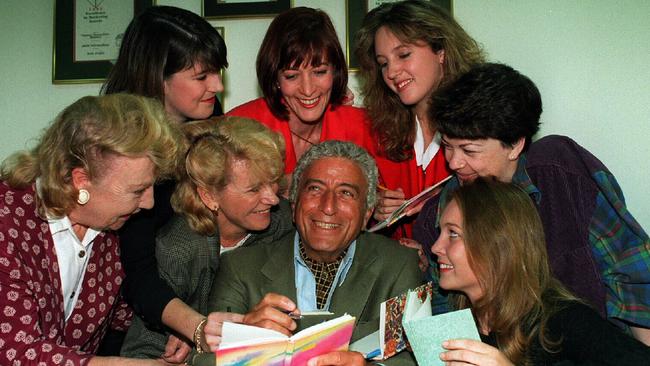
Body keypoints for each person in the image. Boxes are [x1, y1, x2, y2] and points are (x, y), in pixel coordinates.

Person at [414, 63, 650, 344]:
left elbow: (632, 270)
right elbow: (444, 315)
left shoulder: (562, 174)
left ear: (514, 145)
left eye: (469, 150)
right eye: (448, 146)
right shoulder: (444, 211)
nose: (454, 162)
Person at [0, 94, 181, 365]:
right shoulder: (7, 223)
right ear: (81, 180)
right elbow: (15, 351)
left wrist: (172, 330)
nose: (149, 202)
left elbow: (121, 313)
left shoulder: (108, 227)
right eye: (138, 190)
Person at [207, 141, 423, 366]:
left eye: (346, 193)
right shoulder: (240, 267)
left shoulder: (399, 265)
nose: (328, 207)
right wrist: (246, 342)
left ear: (367, 213)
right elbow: (205, 359)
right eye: (315, 189)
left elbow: (410, 360)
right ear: (293, 204)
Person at [100, 6, 231, 358]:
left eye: (217, 73)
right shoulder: (124, 149)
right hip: (125, 321)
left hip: (181, 305)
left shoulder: (208, 115)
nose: (217, 86)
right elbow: (136, 271)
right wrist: (191, 326)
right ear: (159, 77)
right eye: (202, 76)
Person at [430, 178, 650, 365]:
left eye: (453, 234)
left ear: (497, 245)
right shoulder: (459, 321)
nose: (435, 247)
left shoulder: (564, 320)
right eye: (441, 232)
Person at [355, 0, 485, 238]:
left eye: (403, 54)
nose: (391, 72)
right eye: (383, 64)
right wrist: (374, 206)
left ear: (441, 52)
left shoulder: (483, 128)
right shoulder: (377, 132)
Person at [227, 7, 375, 180]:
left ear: (335, 71)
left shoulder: (363, 127)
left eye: (319, 72)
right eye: (291, 76)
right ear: (275, 78)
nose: (307, 89)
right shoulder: (237, 129)